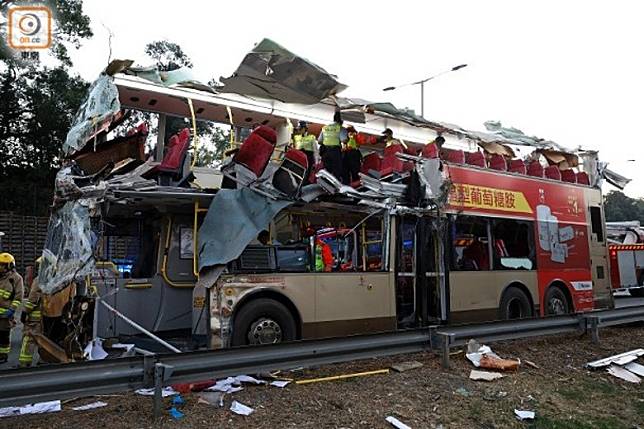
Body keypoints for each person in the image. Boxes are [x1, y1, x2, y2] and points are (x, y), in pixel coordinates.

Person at [0, 253, 23, 364]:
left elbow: (18, 297)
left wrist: (11, 310)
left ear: (9, 265)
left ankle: (3, 356)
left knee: (4, 335)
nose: (0, 267)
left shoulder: (16, 279)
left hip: (5, 315)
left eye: (3, 265)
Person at [19, 257, 42, 367]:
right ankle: (43, 361)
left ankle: (24, 364)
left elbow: (33, 299)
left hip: (34, 317)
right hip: (46, 316)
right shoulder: (55, 280)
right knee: (44, 340)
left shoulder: (39, 280)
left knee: (28, 339)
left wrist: (25, 312)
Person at [317, 111, 347, 181]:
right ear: (342, 120)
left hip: (325, 152)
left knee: (326, 171)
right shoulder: (340, 128)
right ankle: (334, 188)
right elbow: (344, 140)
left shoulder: (325, 128)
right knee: (337, 171)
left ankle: (323, 185)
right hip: (335, 152)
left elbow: (319, 141)